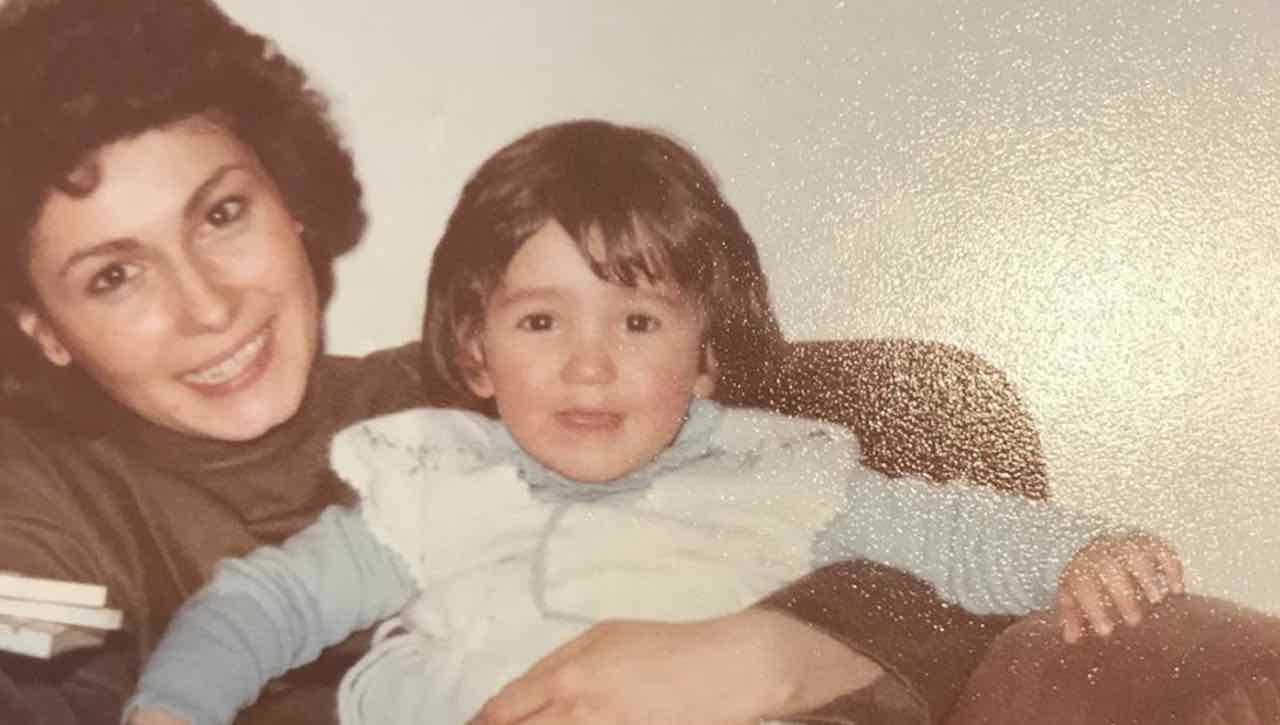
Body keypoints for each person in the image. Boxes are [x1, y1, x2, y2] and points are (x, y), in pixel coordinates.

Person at [0, 1, 1015, 724]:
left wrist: (786, 648)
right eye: (113, 275)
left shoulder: (494, 381)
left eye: (222, 213)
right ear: (41, 326)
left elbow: (949, 429)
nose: (208, 305)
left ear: (289, 199)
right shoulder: (45, 516)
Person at [124, 119, 1183, 725]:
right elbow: (262, 602)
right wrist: (170, 708)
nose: (588, 363)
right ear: (475, 351)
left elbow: (950, 529)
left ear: (707, 353)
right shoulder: (432, 485)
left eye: (636, 320)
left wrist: (1079, 553)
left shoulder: (774, 473)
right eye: (540, 320)